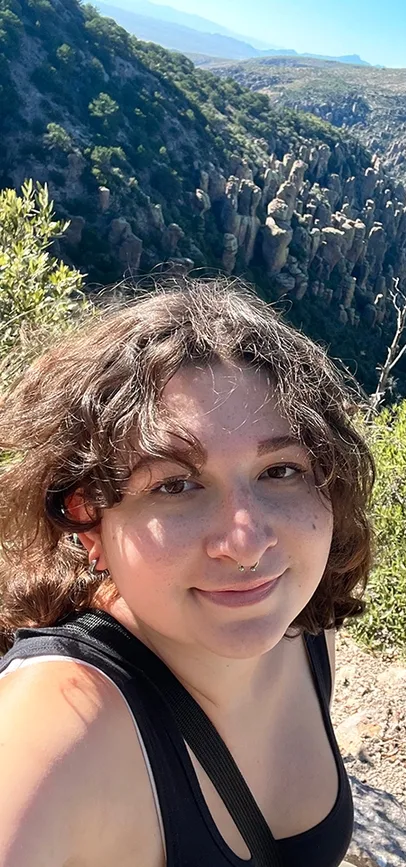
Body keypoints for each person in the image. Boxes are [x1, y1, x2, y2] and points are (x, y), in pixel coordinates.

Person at [0, 280, 374, 867]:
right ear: (89, 519)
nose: (246, 543)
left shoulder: (303, 628)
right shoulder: (53, 727)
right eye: (175, 485)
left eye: (280, 471)